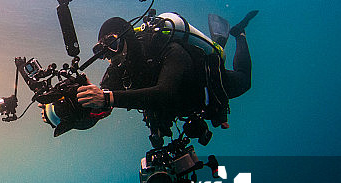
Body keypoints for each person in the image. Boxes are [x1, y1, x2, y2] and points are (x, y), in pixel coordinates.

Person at [75, 10, 257, 143]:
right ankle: (219, 44)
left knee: (244, 80)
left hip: (203, 84)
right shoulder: (118, 70)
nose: (110, 55)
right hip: (181, 106)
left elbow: (165, 92)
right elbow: (100, 110)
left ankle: (239, 34)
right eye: (102, 52)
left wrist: (107, 97)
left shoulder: (168, 49)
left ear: (127, 38)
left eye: (113, 44)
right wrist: (61, 113)